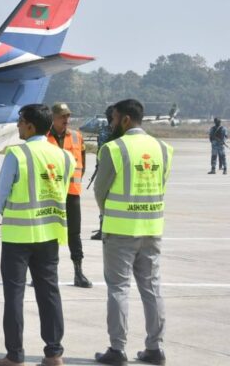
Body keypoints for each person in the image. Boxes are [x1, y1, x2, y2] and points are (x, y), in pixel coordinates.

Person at [0, 104, 75, 366]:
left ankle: (15, 355)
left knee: (14, 295)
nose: (17, 125)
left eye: (20, 121)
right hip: (50, 234)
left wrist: (11, 210)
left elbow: (1, 198)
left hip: (18, 235)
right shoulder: (64, 157)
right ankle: (54, 353)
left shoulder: (17, 154)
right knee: (49, 293)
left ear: (29, 125)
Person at [93, 99, 172, 366]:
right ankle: (155, 348)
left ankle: (117, 349)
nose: (112, 123)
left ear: (126, 119)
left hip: (120, 230)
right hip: (152, 228)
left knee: (118, 288)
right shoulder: (163, 148)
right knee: (152, 288)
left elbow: (100, 191)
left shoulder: (113, 149)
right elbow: (161, 184)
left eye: (114, 118)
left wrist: (111, 213)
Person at [46, 102, 91, 288]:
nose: (66, 120)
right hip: (50, 193)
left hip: (72, 194)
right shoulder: (43, 137)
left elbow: (83, 164)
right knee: (48, 235)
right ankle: (46, 273)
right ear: (53, 118)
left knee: (74, 234)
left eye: (68, 116)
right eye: (62, 116)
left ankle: (78, 272)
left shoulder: (77, 137)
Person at [91, 105, 115, 240]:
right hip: (113, 169)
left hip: (104, 169)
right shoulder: (119, 132)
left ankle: (103, 228)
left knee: (102, 200)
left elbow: (101, 151)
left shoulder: (104, 132)